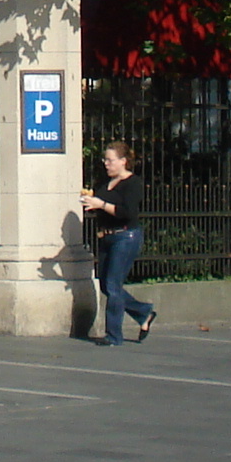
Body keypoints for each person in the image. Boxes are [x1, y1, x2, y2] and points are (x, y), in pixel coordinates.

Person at [80, 143, 157, 345]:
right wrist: (92, 203)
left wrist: (102, 204)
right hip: (107, 237)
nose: (106, 164)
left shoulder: (132, 183)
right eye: (105, 160)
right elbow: (103, 208)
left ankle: (113, 335)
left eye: (110, 160)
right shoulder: (106, 183)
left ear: (123, 161)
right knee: (107, 285)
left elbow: (127, 213)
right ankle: (143, 312)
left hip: (125, 236)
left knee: (114, 285)